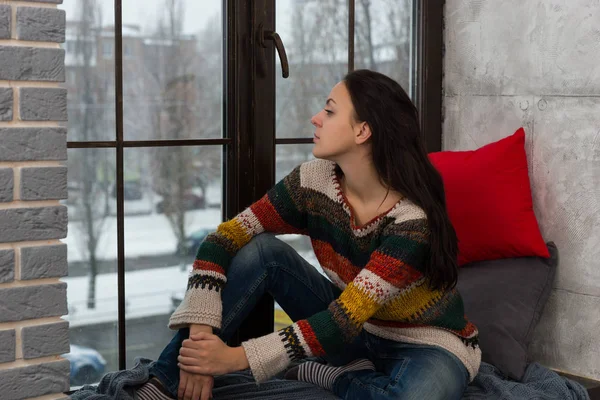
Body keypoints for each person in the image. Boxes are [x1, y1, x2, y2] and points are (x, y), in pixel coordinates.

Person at [136, 69, 481, 400]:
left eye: (329, 112)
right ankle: (165, 381)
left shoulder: (410, 222)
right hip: (354, 331)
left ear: (362, 131)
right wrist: (201, 337)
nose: (315, 118)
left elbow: (343, 319)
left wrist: (235, 358)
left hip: (426, 345)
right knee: (262, 252)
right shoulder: (312, 183)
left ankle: (334, 374)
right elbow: (224, 238)